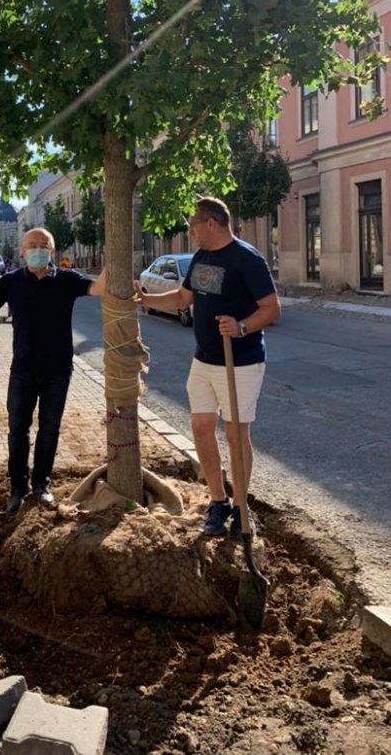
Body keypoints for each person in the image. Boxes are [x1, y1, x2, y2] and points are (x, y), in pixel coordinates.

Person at [137, 197, 280, 538]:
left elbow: (272, 308)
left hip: (240, 363)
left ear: (211, 225)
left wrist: (242, 326)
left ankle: (242, 507)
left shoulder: (247, 259)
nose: (190, 231)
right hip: (204, 359)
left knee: (235, 435)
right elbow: (182, 299)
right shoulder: (202, 256)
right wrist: (143, 299)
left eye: (193, 225)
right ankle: (218, 501)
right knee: (201, 428)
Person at [0, 227, 105, 514]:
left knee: (49, 430)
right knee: (17, 430)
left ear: (52, 251)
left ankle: (41, 485)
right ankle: (17, 488)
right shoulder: (10, 282)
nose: (38, 249)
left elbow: (96, 289)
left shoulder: (67, 280)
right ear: (22, 251)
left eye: (43, 245)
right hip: (22, 368)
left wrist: (112, 259)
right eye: (32, 245)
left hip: (58, 370)